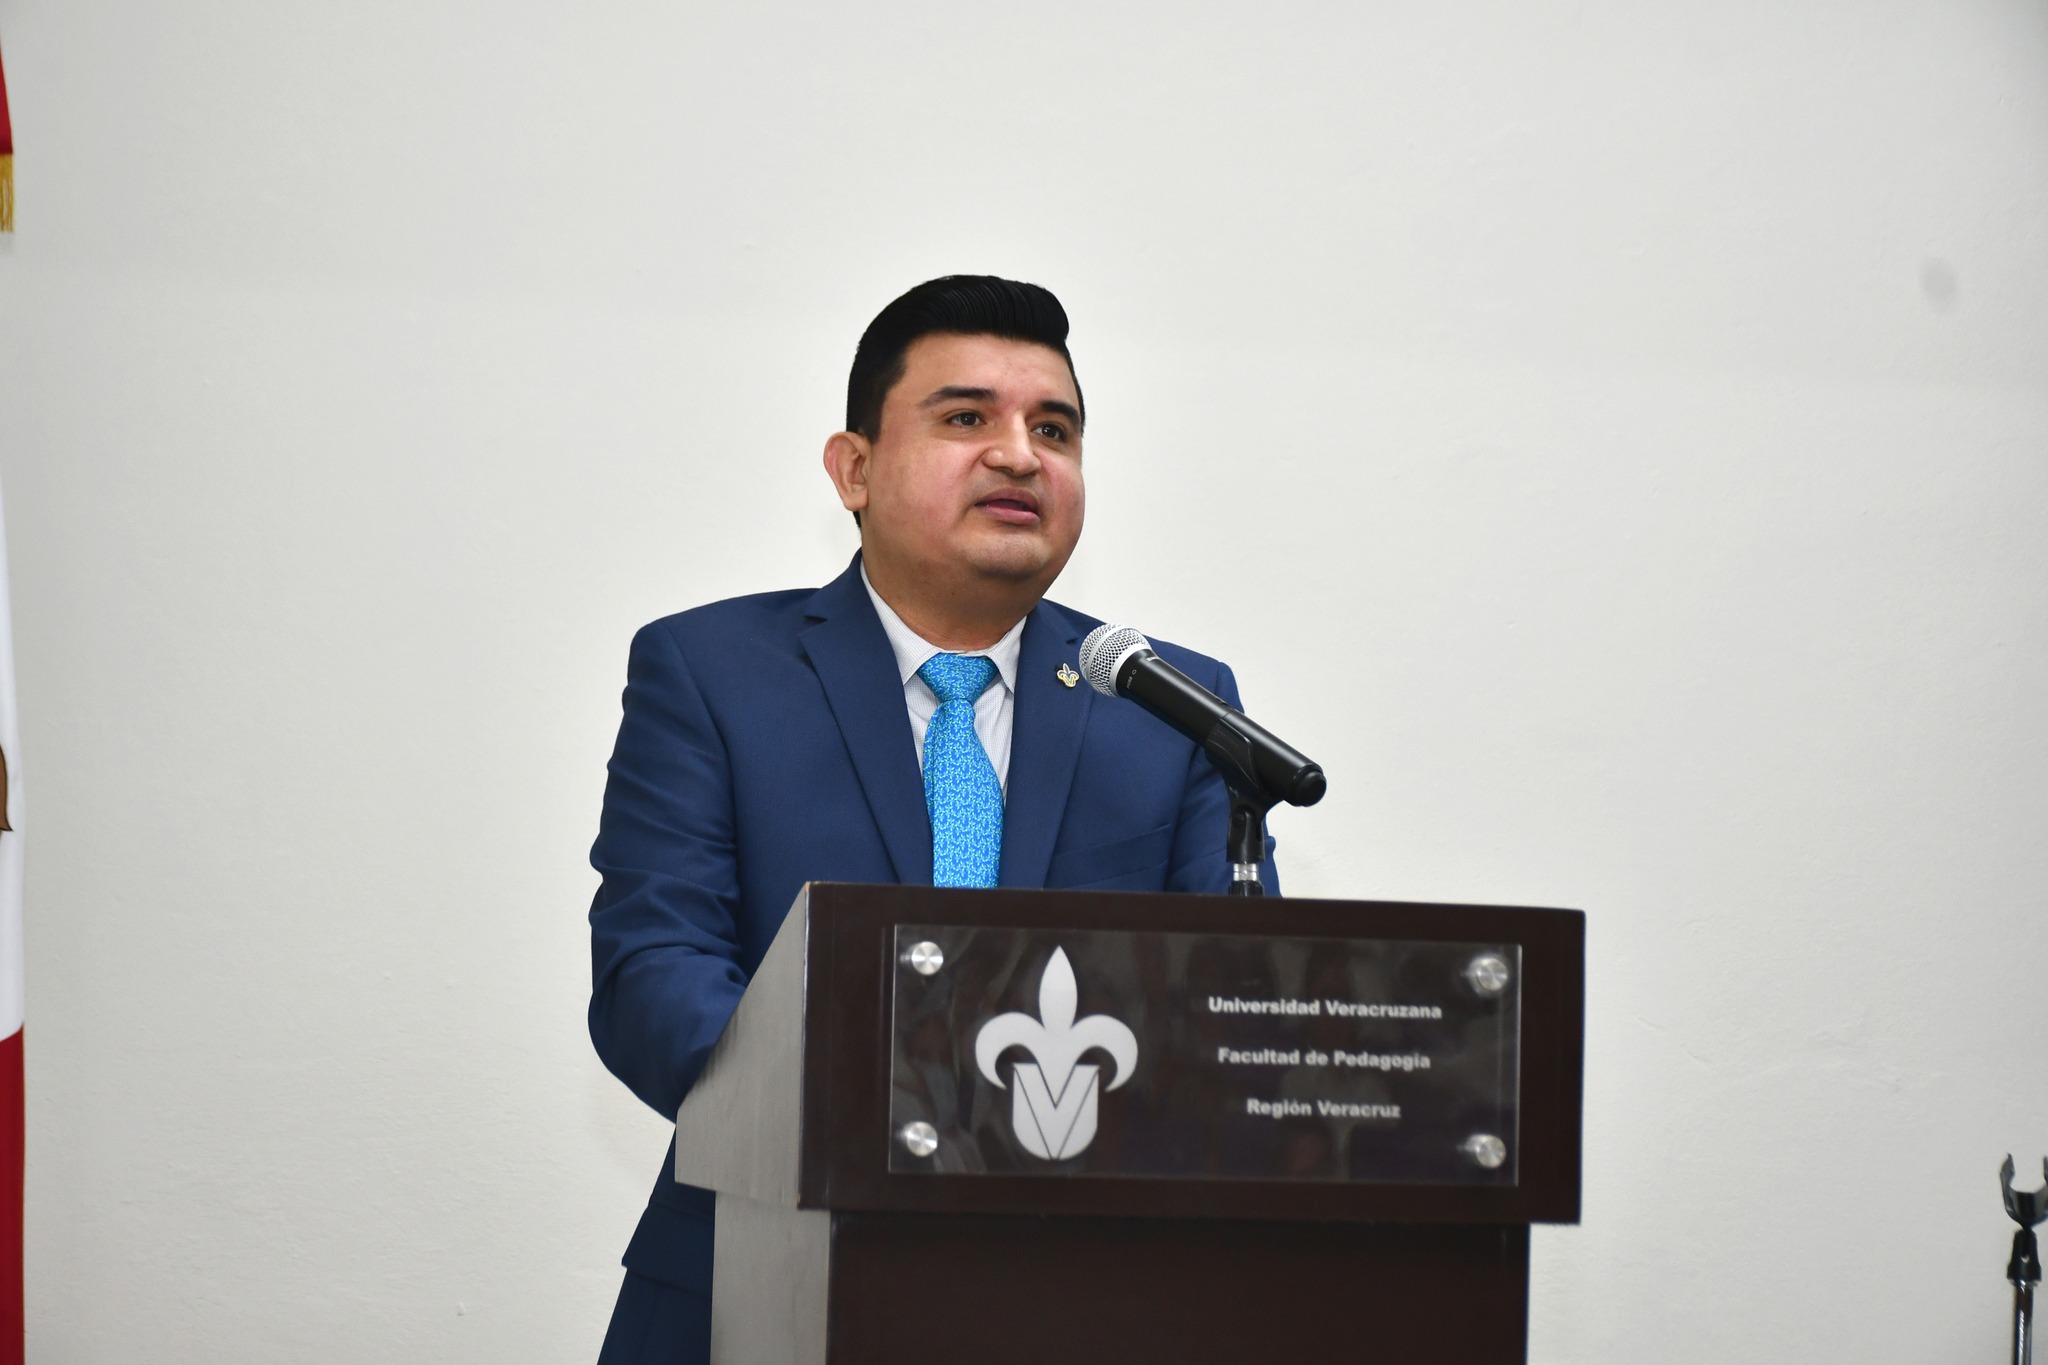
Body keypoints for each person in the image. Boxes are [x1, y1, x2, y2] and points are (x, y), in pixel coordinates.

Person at [586, 275, 1277, 1363]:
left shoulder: (1170, 706)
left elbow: (1237, 1013)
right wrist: (886, 1109)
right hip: (762, 1275)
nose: (1019, 455)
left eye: (1054, 430)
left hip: (1091, 1300)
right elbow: (653, 971)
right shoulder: (712, 673)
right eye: (965, 418)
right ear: (853, 470)